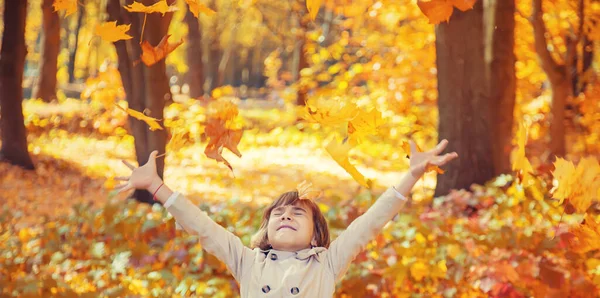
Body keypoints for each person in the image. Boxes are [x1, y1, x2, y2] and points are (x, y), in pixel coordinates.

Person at [115, 139, 458, 297]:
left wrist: (411, 176)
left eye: (297, 213)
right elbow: (203, 227)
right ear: (265, 231)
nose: (285, 216)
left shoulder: (326, 264)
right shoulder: (248, 262)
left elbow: (370, 222)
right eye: (277, 213)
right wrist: (157, 187)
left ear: (315, 236)